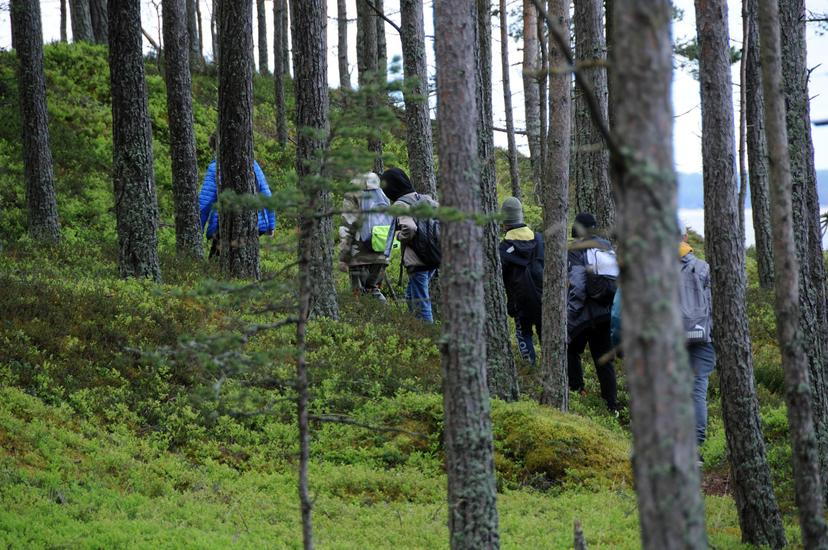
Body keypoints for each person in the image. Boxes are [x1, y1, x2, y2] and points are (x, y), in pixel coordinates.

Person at [567, 212, 619, 412]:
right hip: (606, 313)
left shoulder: (576, 249)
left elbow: (578, 285)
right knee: (605, 360)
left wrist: (571, 314)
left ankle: (577, 391)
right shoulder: (606, 247)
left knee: (570, 348)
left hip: (585, 315)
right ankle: (611, 406)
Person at [198, 133, 276, 258]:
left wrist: (197, 230)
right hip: (254, 224)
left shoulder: (215, 167)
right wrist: (271, 225)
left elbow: (205, 202)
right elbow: (267, 195)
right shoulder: (253, 164)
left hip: (224, 225)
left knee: (217, 263)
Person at [380, 167, 439, 323]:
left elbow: (410, 228)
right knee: (411, 295)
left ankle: (428, 337)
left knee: (421, 300)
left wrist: (400, 236)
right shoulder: (425, 198)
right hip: (433, 256)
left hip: (417, 259)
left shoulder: (400, 205)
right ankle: (416, 329)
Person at [678, 222, 716, 447]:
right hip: (702, 336)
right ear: (685, 237)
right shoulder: (703, 267)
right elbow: (714, 305)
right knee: (697, 390)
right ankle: (696, 447)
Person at [498, 197, 544, 364]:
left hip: (519, 302)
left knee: (524, 334)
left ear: (505, 222)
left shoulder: (503, 247)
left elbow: (500, 277)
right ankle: (552, 370)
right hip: (542, 298)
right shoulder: (539, 239)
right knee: (545, 334)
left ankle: (530, 366)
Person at [338, 172, 394, 302]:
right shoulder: (383, 192)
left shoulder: (353, 191)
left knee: (358, 295)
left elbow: (348, 223)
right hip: (381, 252)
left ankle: (361, 320)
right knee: (373, 289)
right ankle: (386, 320)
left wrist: (344, 255)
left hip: (359, 254)